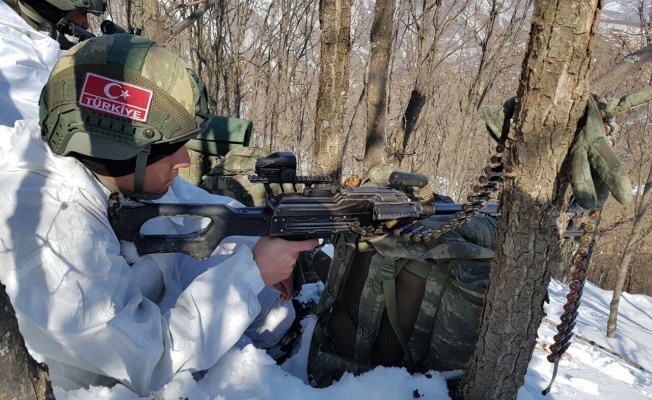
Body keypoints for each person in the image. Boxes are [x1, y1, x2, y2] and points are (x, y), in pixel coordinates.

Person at [0, 33, 317, 395]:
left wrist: (272, 232)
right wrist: (254, 271)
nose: (184, 161)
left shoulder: (115, 174)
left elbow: (199, 215)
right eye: (169, 149)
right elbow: (155, 360)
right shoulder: (52, 233)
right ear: (115, 149)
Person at [0, 0, 106, 126]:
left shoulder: (30, 35)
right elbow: (49, 114)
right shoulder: (7, 44)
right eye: (82, 13)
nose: (86, 24)